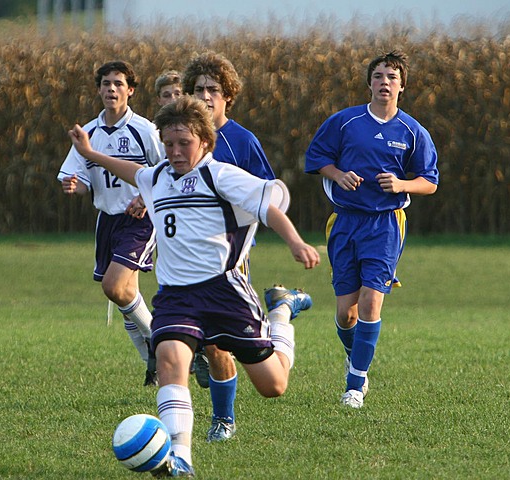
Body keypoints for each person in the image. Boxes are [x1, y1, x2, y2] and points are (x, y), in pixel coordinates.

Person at [69, 95, 321, 477]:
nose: (174, 151)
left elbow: (268, 206)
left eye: (183, 143)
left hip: (225, 293)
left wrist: (295, 241)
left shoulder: (220, 175)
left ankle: (282, 310)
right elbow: (132, 171)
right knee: (171, 360)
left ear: (205, 141)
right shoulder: (157, 177)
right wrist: (89, 152)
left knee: (274, 385)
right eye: (168, 143)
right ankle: (180, 456)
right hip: (175, 295)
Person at [181, 50, 311, 442]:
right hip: (186, 261)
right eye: (199, 89)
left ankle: (283, 311)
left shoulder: (241, 141)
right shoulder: (178, 141)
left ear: (228, 97)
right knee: (213, 345)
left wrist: (288, 238)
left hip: (231, 263)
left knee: (251, 362)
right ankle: (223, 420)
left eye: (213, 90)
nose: (206, 95)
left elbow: (268, 198)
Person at [305, 50, 439, 409]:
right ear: (369, 83)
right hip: (345, 221)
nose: (385, 83)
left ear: (402, 86)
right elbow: (316, 159)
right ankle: (358, 357)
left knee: (370, 301)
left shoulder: (413, 131)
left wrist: (401, 184)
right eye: (379, 76)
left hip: (385, 225)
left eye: (392, 77)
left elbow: (429, 182)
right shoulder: (344, 122)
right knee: (345, 314)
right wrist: (338, 174)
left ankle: (354, 384)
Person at [57, 60, 164, 386]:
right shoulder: (87, 133)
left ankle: (161, 345)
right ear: (99, 89)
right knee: (125, 295)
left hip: (140, 220)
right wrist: (76, 186)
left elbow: (167, 173)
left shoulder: (144, 130)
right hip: (107, 220)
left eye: (118, 83)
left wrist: (145, 198)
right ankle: (153, 364)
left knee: (115, 287)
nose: (111, 89)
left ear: (130, 90)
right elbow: (81, 177)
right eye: (106, 83)